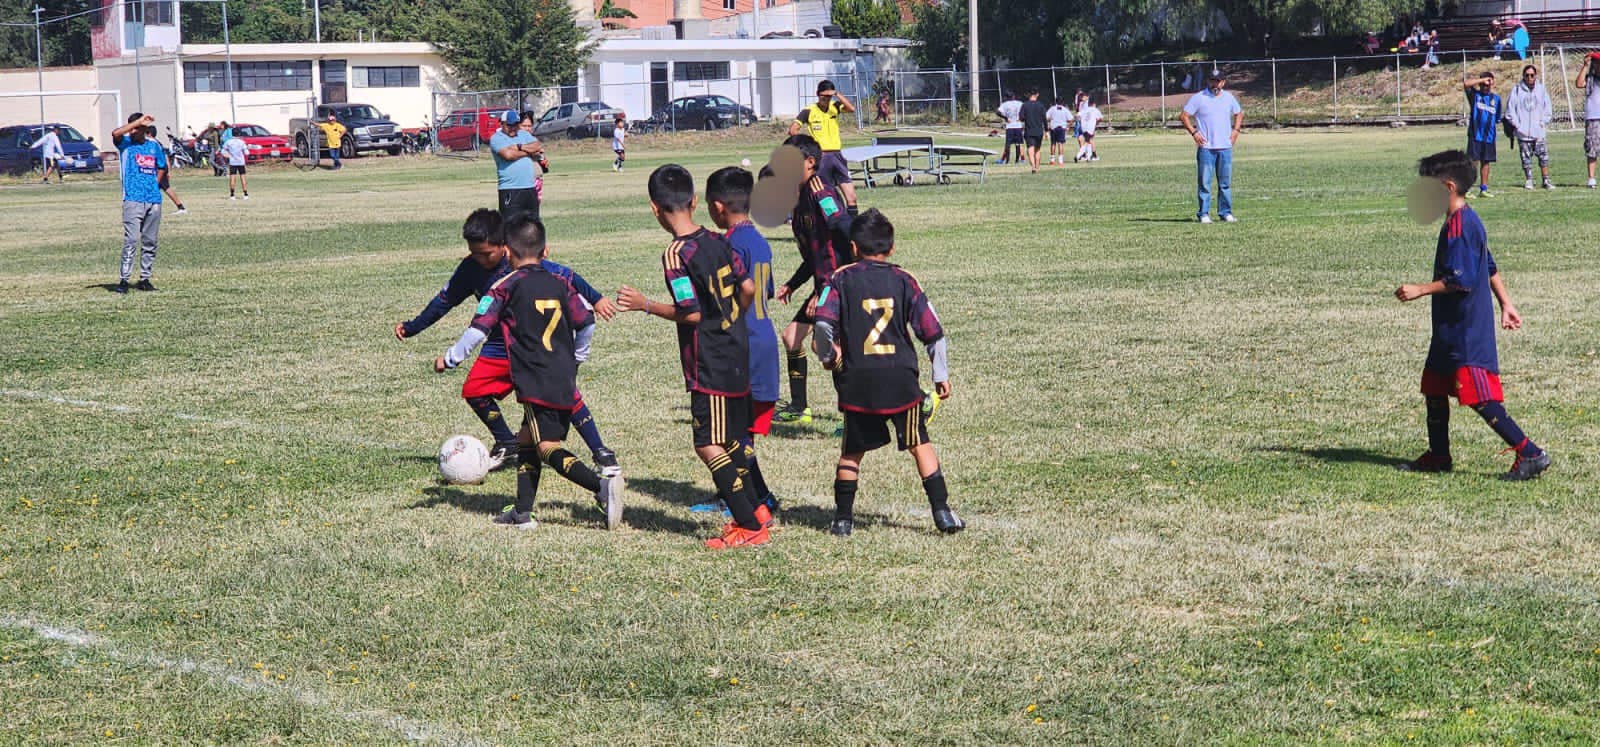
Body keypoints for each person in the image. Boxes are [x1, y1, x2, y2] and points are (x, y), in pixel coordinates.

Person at [615, 164, 772, 550]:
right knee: (734, 438)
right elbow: (748, 287)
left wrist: (645, 305)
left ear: (655, 209)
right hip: (738, 349)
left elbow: (692, 312)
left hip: (711, 360)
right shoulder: (721, 240)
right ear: (695, 201)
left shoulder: (676, 254)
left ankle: (749, 524)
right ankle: (759, 509)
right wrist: (733, 316)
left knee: (708, 443)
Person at [398, 208, 620, 474]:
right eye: (474, 252)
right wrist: (413, 327)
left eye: (486, 253)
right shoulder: (470, 268)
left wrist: (595, 297)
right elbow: (444, 301)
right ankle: (506, 440)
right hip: (499, 343)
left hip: (532, 343)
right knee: (475, 390)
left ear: (505, 246)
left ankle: (601, 451)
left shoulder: (522, 263)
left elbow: (566, 276)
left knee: (560, 393)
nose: (479, 259)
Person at [436, 215, 624, 529]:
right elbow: (587, 319)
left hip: (535, 377)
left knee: (546, 446)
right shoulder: (561, 283)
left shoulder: (504, 286)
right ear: (545, 250)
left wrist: (451, 358)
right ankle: (522, 512)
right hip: (561, 372)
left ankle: (601, 487)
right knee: (526, 440)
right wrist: (578, 356)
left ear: (507, 252)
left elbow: (478, 330)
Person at [1394, 149, 1550, 481]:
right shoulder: (1463, 220)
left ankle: (1530, 452)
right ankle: (1439, 455)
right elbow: (1489, 266)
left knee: (1479, 396)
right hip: (1449, 327)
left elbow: (1460, 280)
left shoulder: (1462, 227)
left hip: (1466, 329)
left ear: (1448, 187)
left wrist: (1419, 289)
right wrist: (1507, 303)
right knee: (1434, 387)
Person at [812, 209, 961, 536]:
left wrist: (827, 355)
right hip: (900, 379)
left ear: (853, 248)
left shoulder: (838, 279)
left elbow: (823, 323)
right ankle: (943, 512)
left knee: (852, 451)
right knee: (919, 442)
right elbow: (932, 331)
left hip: (858, 379)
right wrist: (940, 374)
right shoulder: (904, 279)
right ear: (891, 248)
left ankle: (842, 519)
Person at [692, 166, 782, 518]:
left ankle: (749, 500)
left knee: (732, 431)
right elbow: (768, 291)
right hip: (765, 341)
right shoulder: (758, 241)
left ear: (716, 207)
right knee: (741, 431)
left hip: (740, 346)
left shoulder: (727, 245)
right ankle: (741, 495)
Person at [774, 133, 853, 425]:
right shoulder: (799, 200)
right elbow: (816, 254)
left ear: (810, 163)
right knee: (792, 337)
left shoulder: (820, 189)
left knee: (828, 348)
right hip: (825, 283)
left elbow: (843, 229)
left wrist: (825, 294)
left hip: (838, 283)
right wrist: (793, 284)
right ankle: (799, 407)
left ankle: (853, 416)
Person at [111, 112, 167, 294]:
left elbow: (161, 166)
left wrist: (155, 185)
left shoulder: (153, 146)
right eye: (132, 127)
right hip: (133, 199)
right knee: (131, 240)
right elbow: (116, 134)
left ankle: (145, 278)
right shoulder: (126, 144)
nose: (134, 131)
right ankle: (124, 280)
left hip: (153, 199)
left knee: (150, 241)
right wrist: (135, 122)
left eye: (138, 128)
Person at [1179, 71, 1243, 224]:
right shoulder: (1199, 97)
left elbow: (1239, 113)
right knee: (1204, 183)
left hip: (1225, 147)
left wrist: (1236, 131)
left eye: (1218, 81)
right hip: (1206, 148)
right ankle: (1203, 214)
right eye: (1212, 81)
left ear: (1223, 82)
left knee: (1225, 183)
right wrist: (1194, 132)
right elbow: (1184, 116)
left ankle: (1225, 212)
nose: (1215, 84)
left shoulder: (1228, 97)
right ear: (1208, 81)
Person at [788, 80, 859, 214]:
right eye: (823, 96)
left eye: (829, 96)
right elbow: (793, 130)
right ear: (818, 95)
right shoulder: (809, 111)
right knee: (823, 196)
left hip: (837, 157)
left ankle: (851, 230)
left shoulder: (835, 106)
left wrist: (837, 94)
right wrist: (806, 146)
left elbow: (852, 109)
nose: (826, 99)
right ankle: (826, 225)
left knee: (852, 197)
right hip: (821, 158)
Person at [1506, 65, 1554, 190]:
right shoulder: (1516, 90)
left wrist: (1542, 122)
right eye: (1527, 75)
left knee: (1543, 156)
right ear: (1523, 76)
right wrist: (1518, 125)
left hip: (1538, 132)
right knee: (1525, 158)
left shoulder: (1541, 89)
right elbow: (1510, 111)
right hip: (1523, 133)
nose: (1529, 77)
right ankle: (1529, 179)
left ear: (1535, 76)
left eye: (1532, 75)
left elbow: (1547, 107)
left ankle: (1546, 180)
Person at [490, 110, 543, 222]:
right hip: (510, 189)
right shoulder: (496, 138)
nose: (513, 128)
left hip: (529, 188)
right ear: (502, 123)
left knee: (533, 226)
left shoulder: (523, 134)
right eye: (510, 125)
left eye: (515, 124)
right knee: (511, 227)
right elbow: (508, 155)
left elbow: (537, 146)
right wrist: (529, 152)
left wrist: (518, 146)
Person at [1463, 72, 1502, 198]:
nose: (1486, 87)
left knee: (1486, 162)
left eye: (1488, 84)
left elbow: (1496, 118)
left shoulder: (1496, 99)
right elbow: (1466, 84)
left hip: (1489, 137)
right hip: (1475, 135)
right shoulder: (1475, 95)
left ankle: (1484, 189)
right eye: (1483, 84)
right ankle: (1467, 189)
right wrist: (1482, 79)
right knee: (1473, 162)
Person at [1576, 54, 1600, 188]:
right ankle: (1591, 178)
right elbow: (1579, 84)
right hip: (1593, 118)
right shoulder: (1590, 79)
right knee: (1592, 148)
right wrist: (1585, 66)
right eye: (1596, 63)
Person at [151, 125, 186, 214]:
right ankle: (180, 207)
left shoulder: (153, 144)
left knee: (164, 187)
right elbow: (165, 156)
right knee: (163, 187)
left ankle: (181, 207)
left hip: (159, 169)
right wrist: (168, 169)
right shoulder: (158, 143)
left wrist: (167, 170)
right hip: (161, 168)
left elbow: (164, 157)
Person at [1019, 90, 1048, 173]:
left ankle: (1033, 166)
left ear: (1029, 95)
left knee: (1030, 149)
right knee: (1037, 150)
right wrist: (1046, 131)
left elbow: (1021, 117)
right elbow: (1044, 119)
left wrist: (1027, 118)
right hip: (1039, 131)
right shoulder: (1041, 105)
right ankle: (1037, 167)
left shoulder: (1025, 105)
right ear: (1037, 94)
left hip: (1029, 130)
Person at [996, 91, 1024, 165]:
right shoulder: (1019, 103)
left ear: (1007, 97)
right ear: (1014, 96)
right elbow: (1025, 110)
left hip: (1010, 126)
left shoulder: (1005, 104)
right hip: (1018, 126)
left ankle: (1007, 160)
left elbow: (997, 112)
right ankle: (1017, 160)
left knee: (1008, 144)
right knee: (1018, 144)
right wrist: (1021, 118)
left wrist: (1005, 118)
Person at [1075, 94, 1104, 162]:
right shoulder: (1094, 109)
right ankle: (1078, 155)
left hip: (1084, 127)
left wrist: (1080, 121)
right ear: (1094, 104)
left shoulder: (1084, 109)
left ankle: (1088, 157)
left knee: (1088, 141)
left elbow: (1077, 115)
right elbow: (1101, 118)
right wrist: (1096, 123)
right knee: (1088, 141)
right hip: (1090, 128)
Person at [222, 131, 249, 200]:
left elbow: (223, 151)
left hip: (233, 162)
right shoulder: (241, 142)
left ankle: (232, 195)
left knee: (232, 178)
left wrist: (228, 156)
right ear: (239, 134)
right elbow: (246, 153)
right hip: (241, 162)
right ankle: (245, 194)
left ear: (232, 134)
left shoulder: (228, 142)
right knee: (243, 178)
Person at [1046, 97, 1072, 166]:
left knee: (1053, 143)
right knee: (1060, 144)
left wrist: (1050, 121)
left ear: (1055, 102)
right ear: (1062, 102)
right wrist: (1068, 126)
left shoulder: (1052, 109)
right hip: (1061, 128)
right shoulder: (1065, 110)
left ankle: (1052, 160)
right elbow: (1071, 119)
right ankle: (1060, 161)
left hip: (1053, 128)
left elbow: (1046, 117)